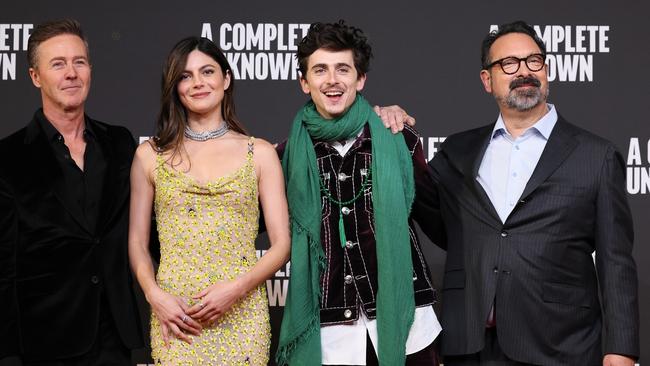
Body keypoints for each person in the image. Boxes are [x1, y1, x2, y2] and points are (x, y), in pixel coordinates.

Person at [427, 20, 639, 365]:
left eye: (533, 61)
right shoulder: (458, 151)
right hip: (470, 345)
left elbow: (616, 262)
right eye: (508, 64)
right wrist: (391, 130)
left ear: (547, 70)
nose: (523, 72)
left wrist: (621, 349)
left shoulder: (596, 155)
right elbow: (431, 216)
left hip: (560, 345)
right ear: (487, 80)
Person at [276, 21, 441, 366]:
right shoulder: (285, 158)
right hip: (327, 332)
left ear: (360, 79)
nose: (332, 80)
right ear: (305, 82)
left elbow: (442, 225)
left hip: (407, 325)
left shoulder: (397, 139)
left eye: (343, 69)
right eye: (320, 70)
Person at [128, 36, 292, 365]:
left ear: (226, 79)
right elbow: (136, 241)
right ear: (174, 87)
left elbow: (282, 244)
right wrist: (155, 295)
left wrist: (236, 289)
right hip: (176, 314)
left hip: (243, 315)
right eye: (186, 76)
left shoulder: (258, 153)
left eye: (207, 71)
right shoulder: (149, 155)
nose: (198, 83)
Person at [0, 19, 143, 364]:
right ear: (36, 77)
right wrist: (7, 355)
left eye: (79, 62)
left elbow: (151, 226)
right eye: (58, 64)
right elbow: (3, 270)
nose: (71, 73)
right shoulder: (8, 157)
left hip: (115, 339)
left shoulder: (120, 143)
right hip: (44, 343)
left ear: (90, 70)